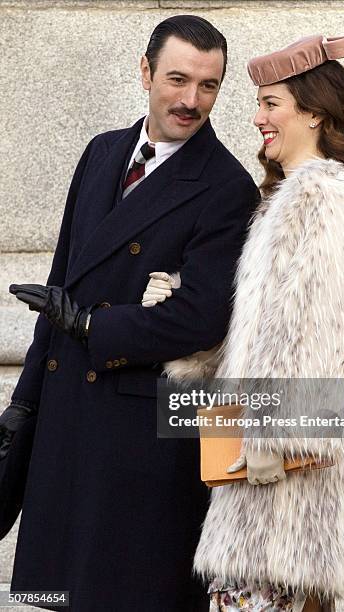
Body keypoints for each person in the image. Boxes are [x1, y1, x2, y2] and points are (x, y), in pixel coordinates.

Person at [2, 15, 259, 612]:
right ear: (144, 73)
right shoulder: (102, 152)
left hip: (140, 444)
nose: (191, 100)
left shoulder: (226, 185)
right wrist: (24, 402)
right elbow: (60, 284)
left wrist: (95, 326)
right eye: (177, 79)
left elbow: (200, 319)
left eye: (209, 85)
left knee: (128, 595)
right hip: (68, 424)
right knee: (58, 595)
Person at [141, 35, 344, 611]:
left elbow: (327, 340)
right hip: (262, 473)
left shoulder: (325, 197)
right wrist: (183, 315)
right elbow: (263, 328)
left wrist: (276, 437)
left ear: (315, 111)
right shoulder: (287, 198)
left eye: (271, 103)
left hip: (283, 486)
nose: (258, 118)